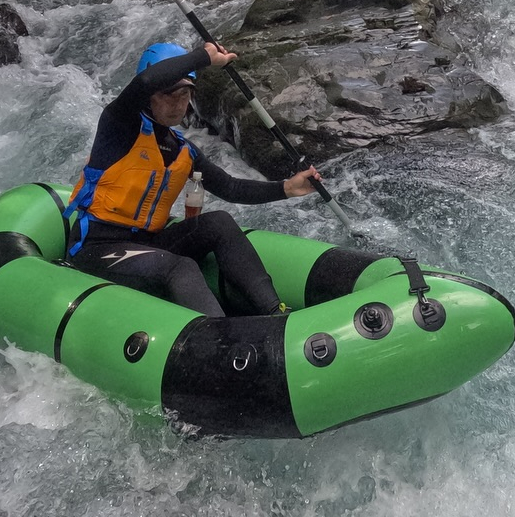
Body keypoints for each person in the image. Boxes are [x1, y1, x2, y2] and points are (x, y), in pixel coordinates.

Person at [64, 41, 323, 316]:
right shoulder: (119, 125)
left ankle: (275, 312)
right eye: (169, 94)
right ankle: (218, 337)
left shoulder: (182, 149)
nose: (178, 104)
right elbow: (146, 80)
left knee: (219, 222)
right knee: (180, 266)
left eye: (185, 95)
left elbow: (230, 187)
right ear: (148, 97)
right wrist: (203, 57)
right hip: (98, 248)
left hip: (148, 244)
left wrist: (286, 188)